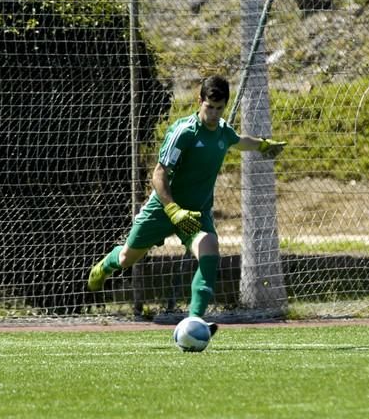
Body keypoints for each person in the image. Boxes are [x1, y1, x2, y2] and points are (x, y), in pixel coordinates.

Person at [87, 75, 286, 335]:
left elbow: (238, 140)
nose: (213, 114)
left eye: (218, 108)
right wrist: (172, 209)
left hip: (196, 213)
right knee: (127, 258)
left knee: (210, 248)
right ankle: (105, 265)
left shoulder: (223, 131)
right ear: (199, 101)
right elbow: (158, 174)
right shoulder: (185, 132)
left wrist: (262, 145)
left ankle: (194, 321)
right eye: (209, 107)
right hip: (163, 209)